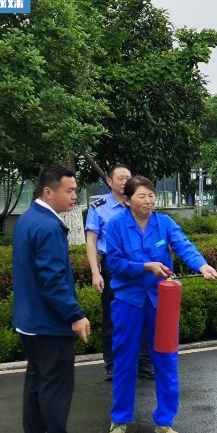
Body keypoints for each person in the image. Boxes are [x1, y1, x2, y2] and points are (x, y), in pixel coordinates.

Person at [104, 176, 217, 433]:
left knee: (166, 359)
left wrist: (202, 266)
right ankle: (119, 419)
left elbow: (183, 245)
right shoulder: (116, 225)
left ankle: (165, 421)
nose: (148, 201)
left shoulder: (164, 222)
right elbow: (115, 264)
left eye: (151, 196)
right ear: (127, 200)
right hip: (128, 300)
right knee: (125, 359)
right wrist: (145, 267)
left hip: (162, 301)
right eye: (141, 196)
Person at [12, 165, 100, 433]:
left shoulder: (28, 218)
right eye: (70, 190)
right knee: (55, 386)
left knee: (37, 383)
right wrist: (75, 314)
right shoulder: (48, 226)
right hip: (49, 323)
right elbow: (52, 280)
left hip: (30, 321)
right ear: (49, 192)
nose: (75, 196)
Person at [85, 164, 155, 382]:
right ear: (109, 181)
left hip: (141, 265)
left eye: (128, 177)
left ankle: (144, 363)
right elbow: (91, 241)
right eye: (120, 178)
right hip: (113, 266)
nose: (125, 181)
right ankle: (113, 365)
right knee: (113, 317)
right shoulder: (99, 207)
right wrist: (95, 272)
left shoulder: (138, 204)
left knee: (144, 312)